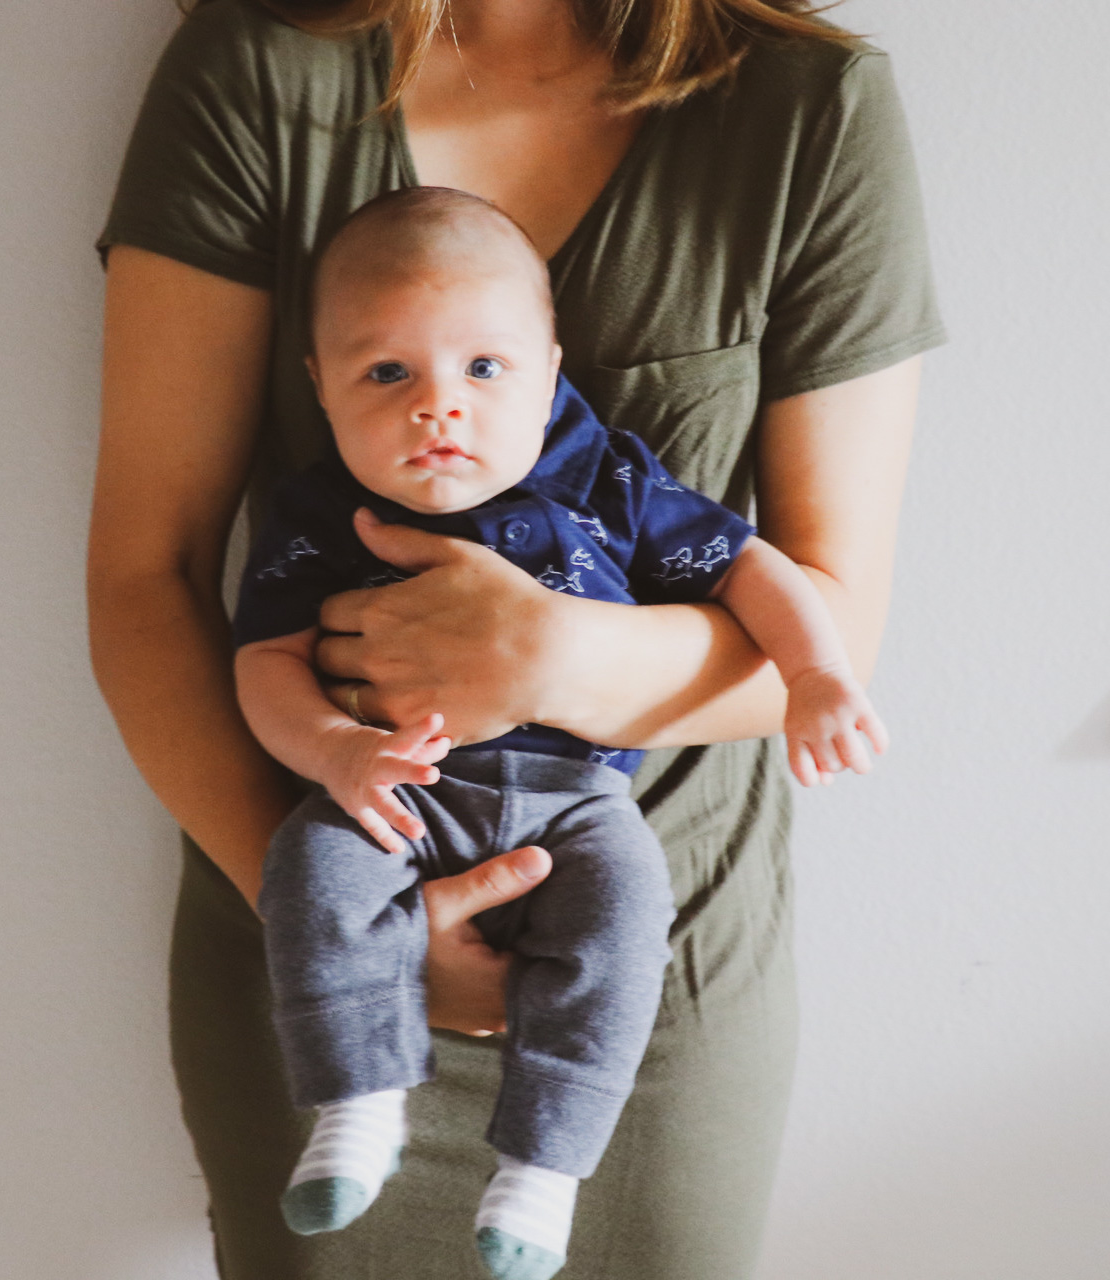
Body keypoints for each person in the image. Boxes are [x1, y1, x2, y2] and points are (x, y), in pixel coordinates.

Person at [87, 2, 945, 1277]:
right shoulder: (259, 66)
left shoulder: (805, 110)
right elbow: (146, 577)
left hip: (648, 958)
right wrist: (356, 934)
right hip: (315, 907)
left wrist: (546, 656)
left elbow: (829, 624)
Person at [231, 185, 888, 1280]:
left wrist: (816, 674)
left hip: (579, 807)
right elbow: (264, 663)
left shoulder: (607, 478)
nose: (438, 407)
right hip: (398, 791)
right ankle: (359, 1100)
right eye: (386, 373)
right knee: (310, 866)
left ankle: (544, 1171)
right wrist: (335, 753)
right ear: (319, 384)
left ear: (548, 370)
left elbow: (749, 567)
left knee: (624, 921)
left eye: (483, 368)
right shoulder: (319, 514)